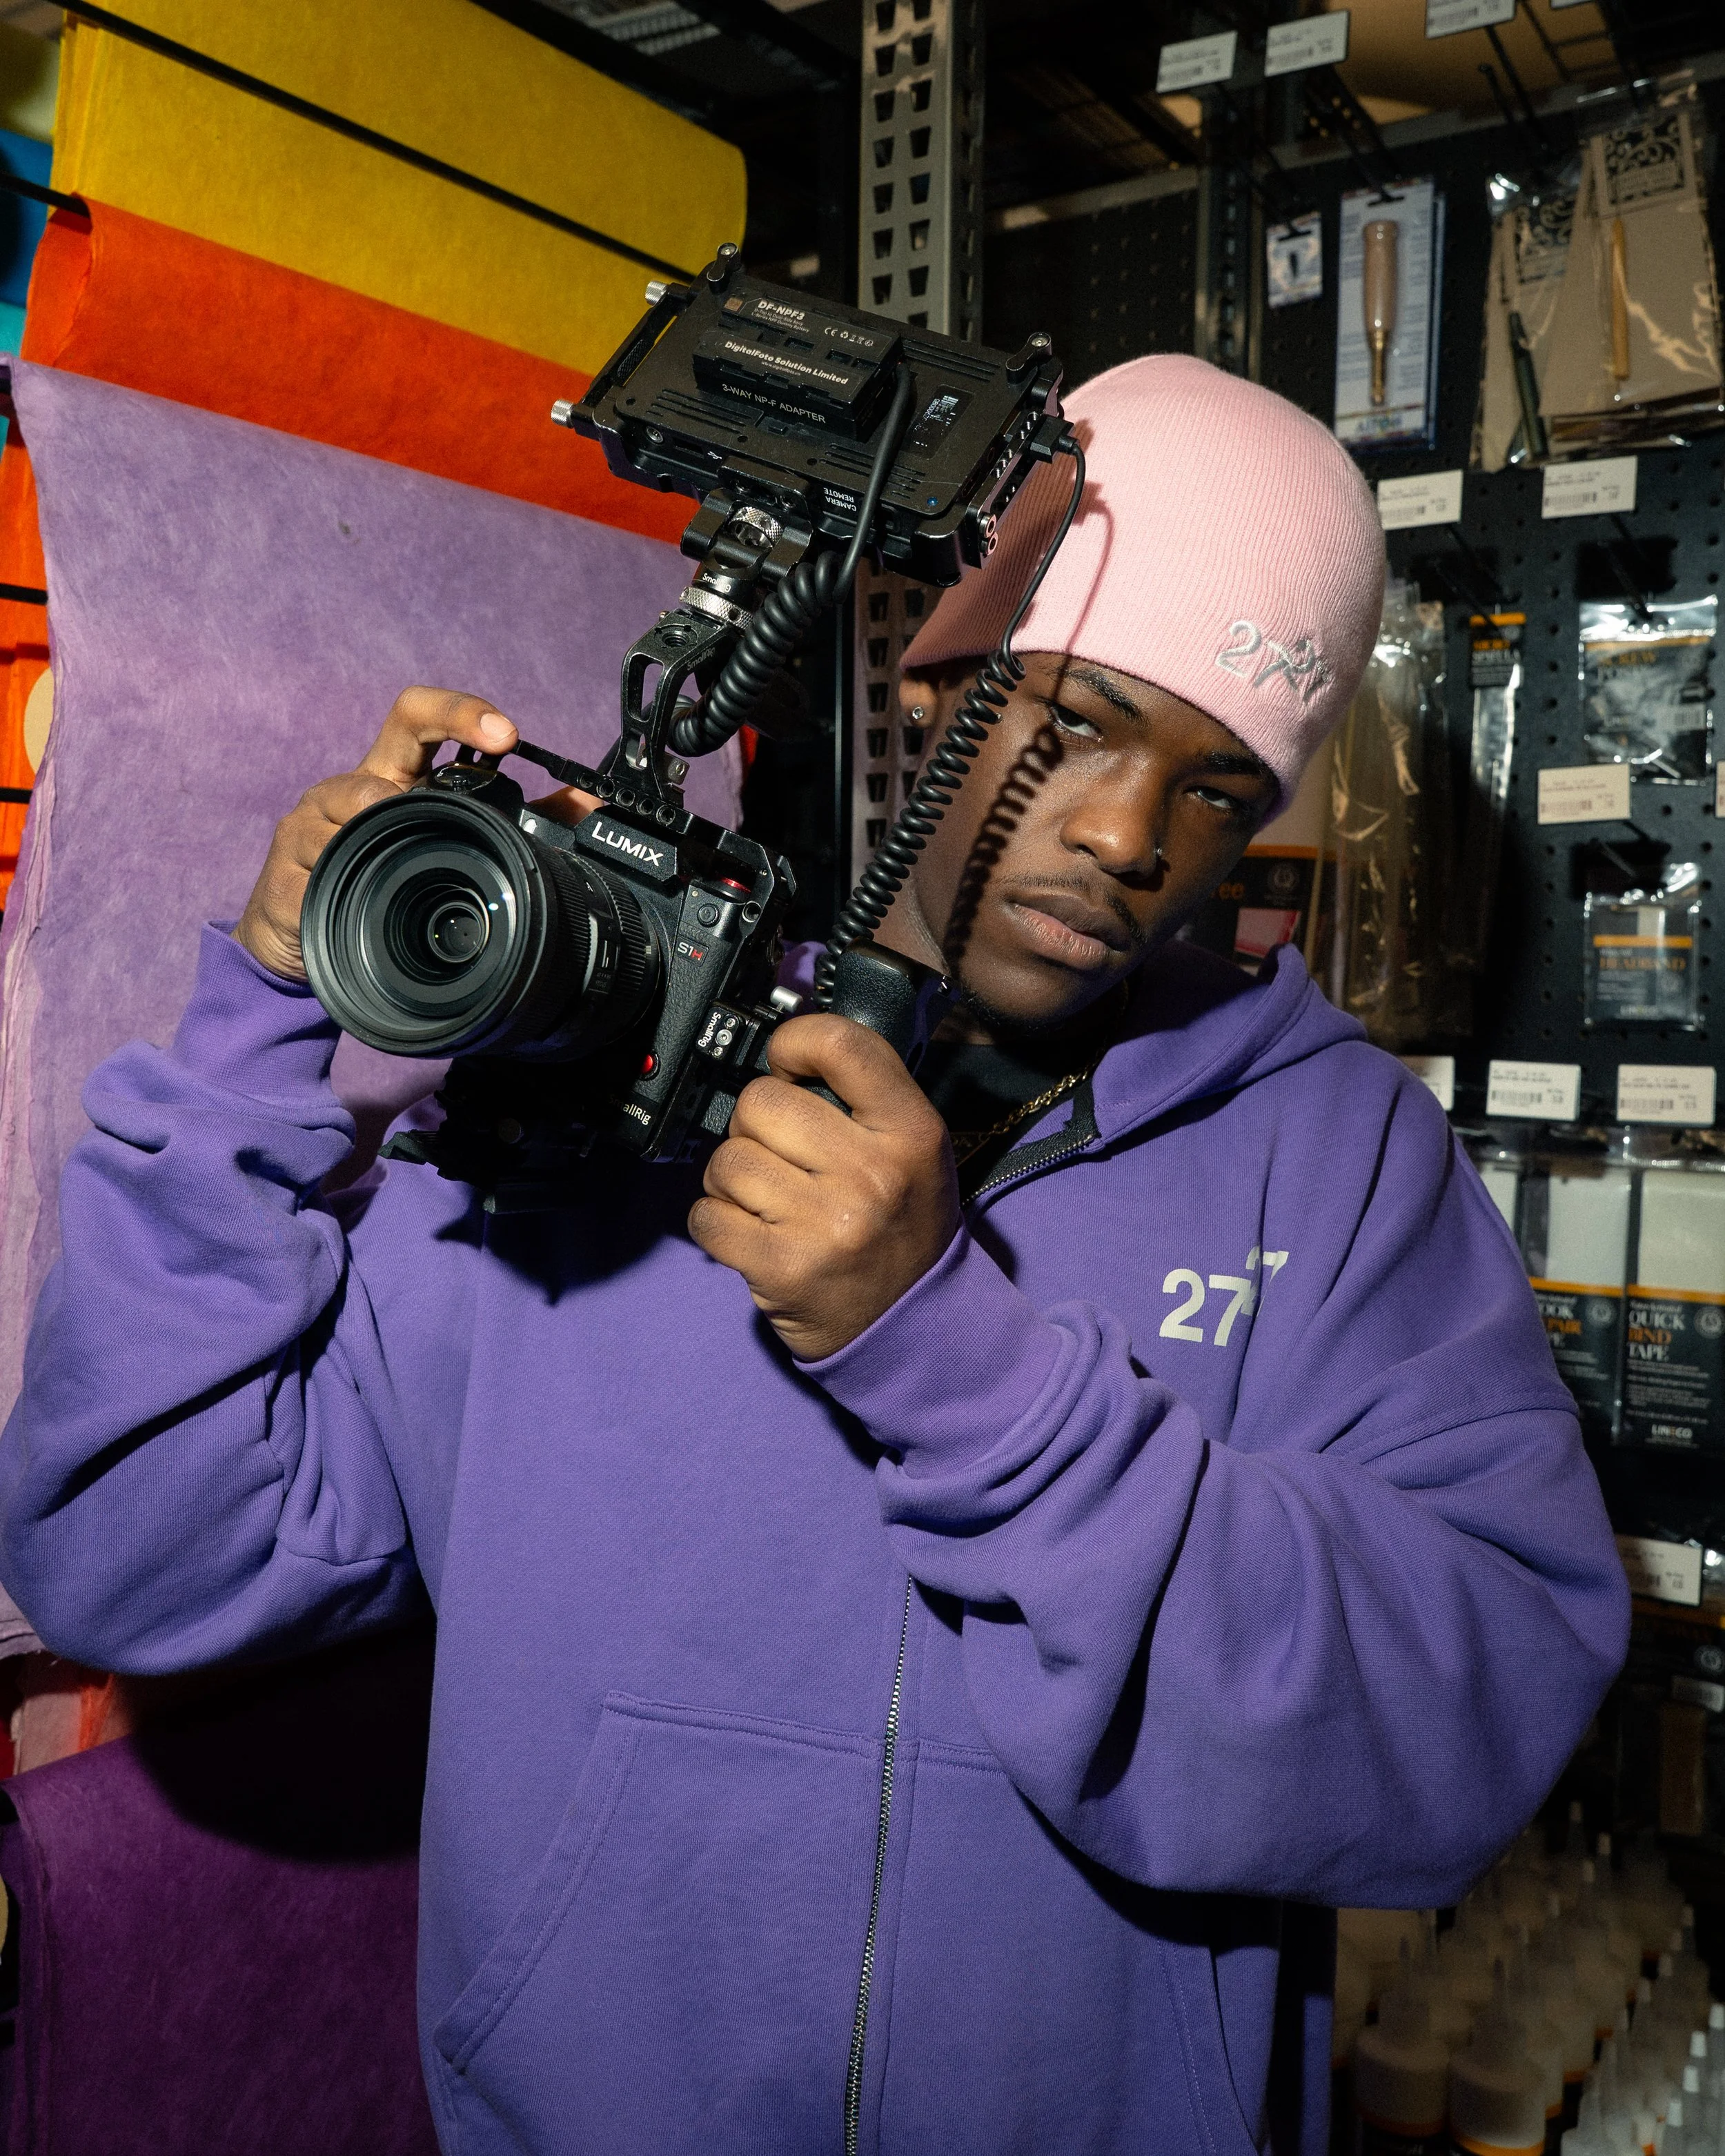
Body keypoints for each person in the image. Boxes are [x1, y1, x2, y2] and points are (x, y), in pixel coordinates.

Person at [0, 355, 1626, 2155]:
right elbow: (126, 1556)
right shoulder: (588, 1091)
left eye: (1219, 791)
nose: (1126, 837)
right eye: (1079, 719)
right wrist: (257, 1031)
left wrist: (959, 1363)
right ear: (935, 676)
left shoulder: (1337, 1157)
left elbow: (1467, 1739)